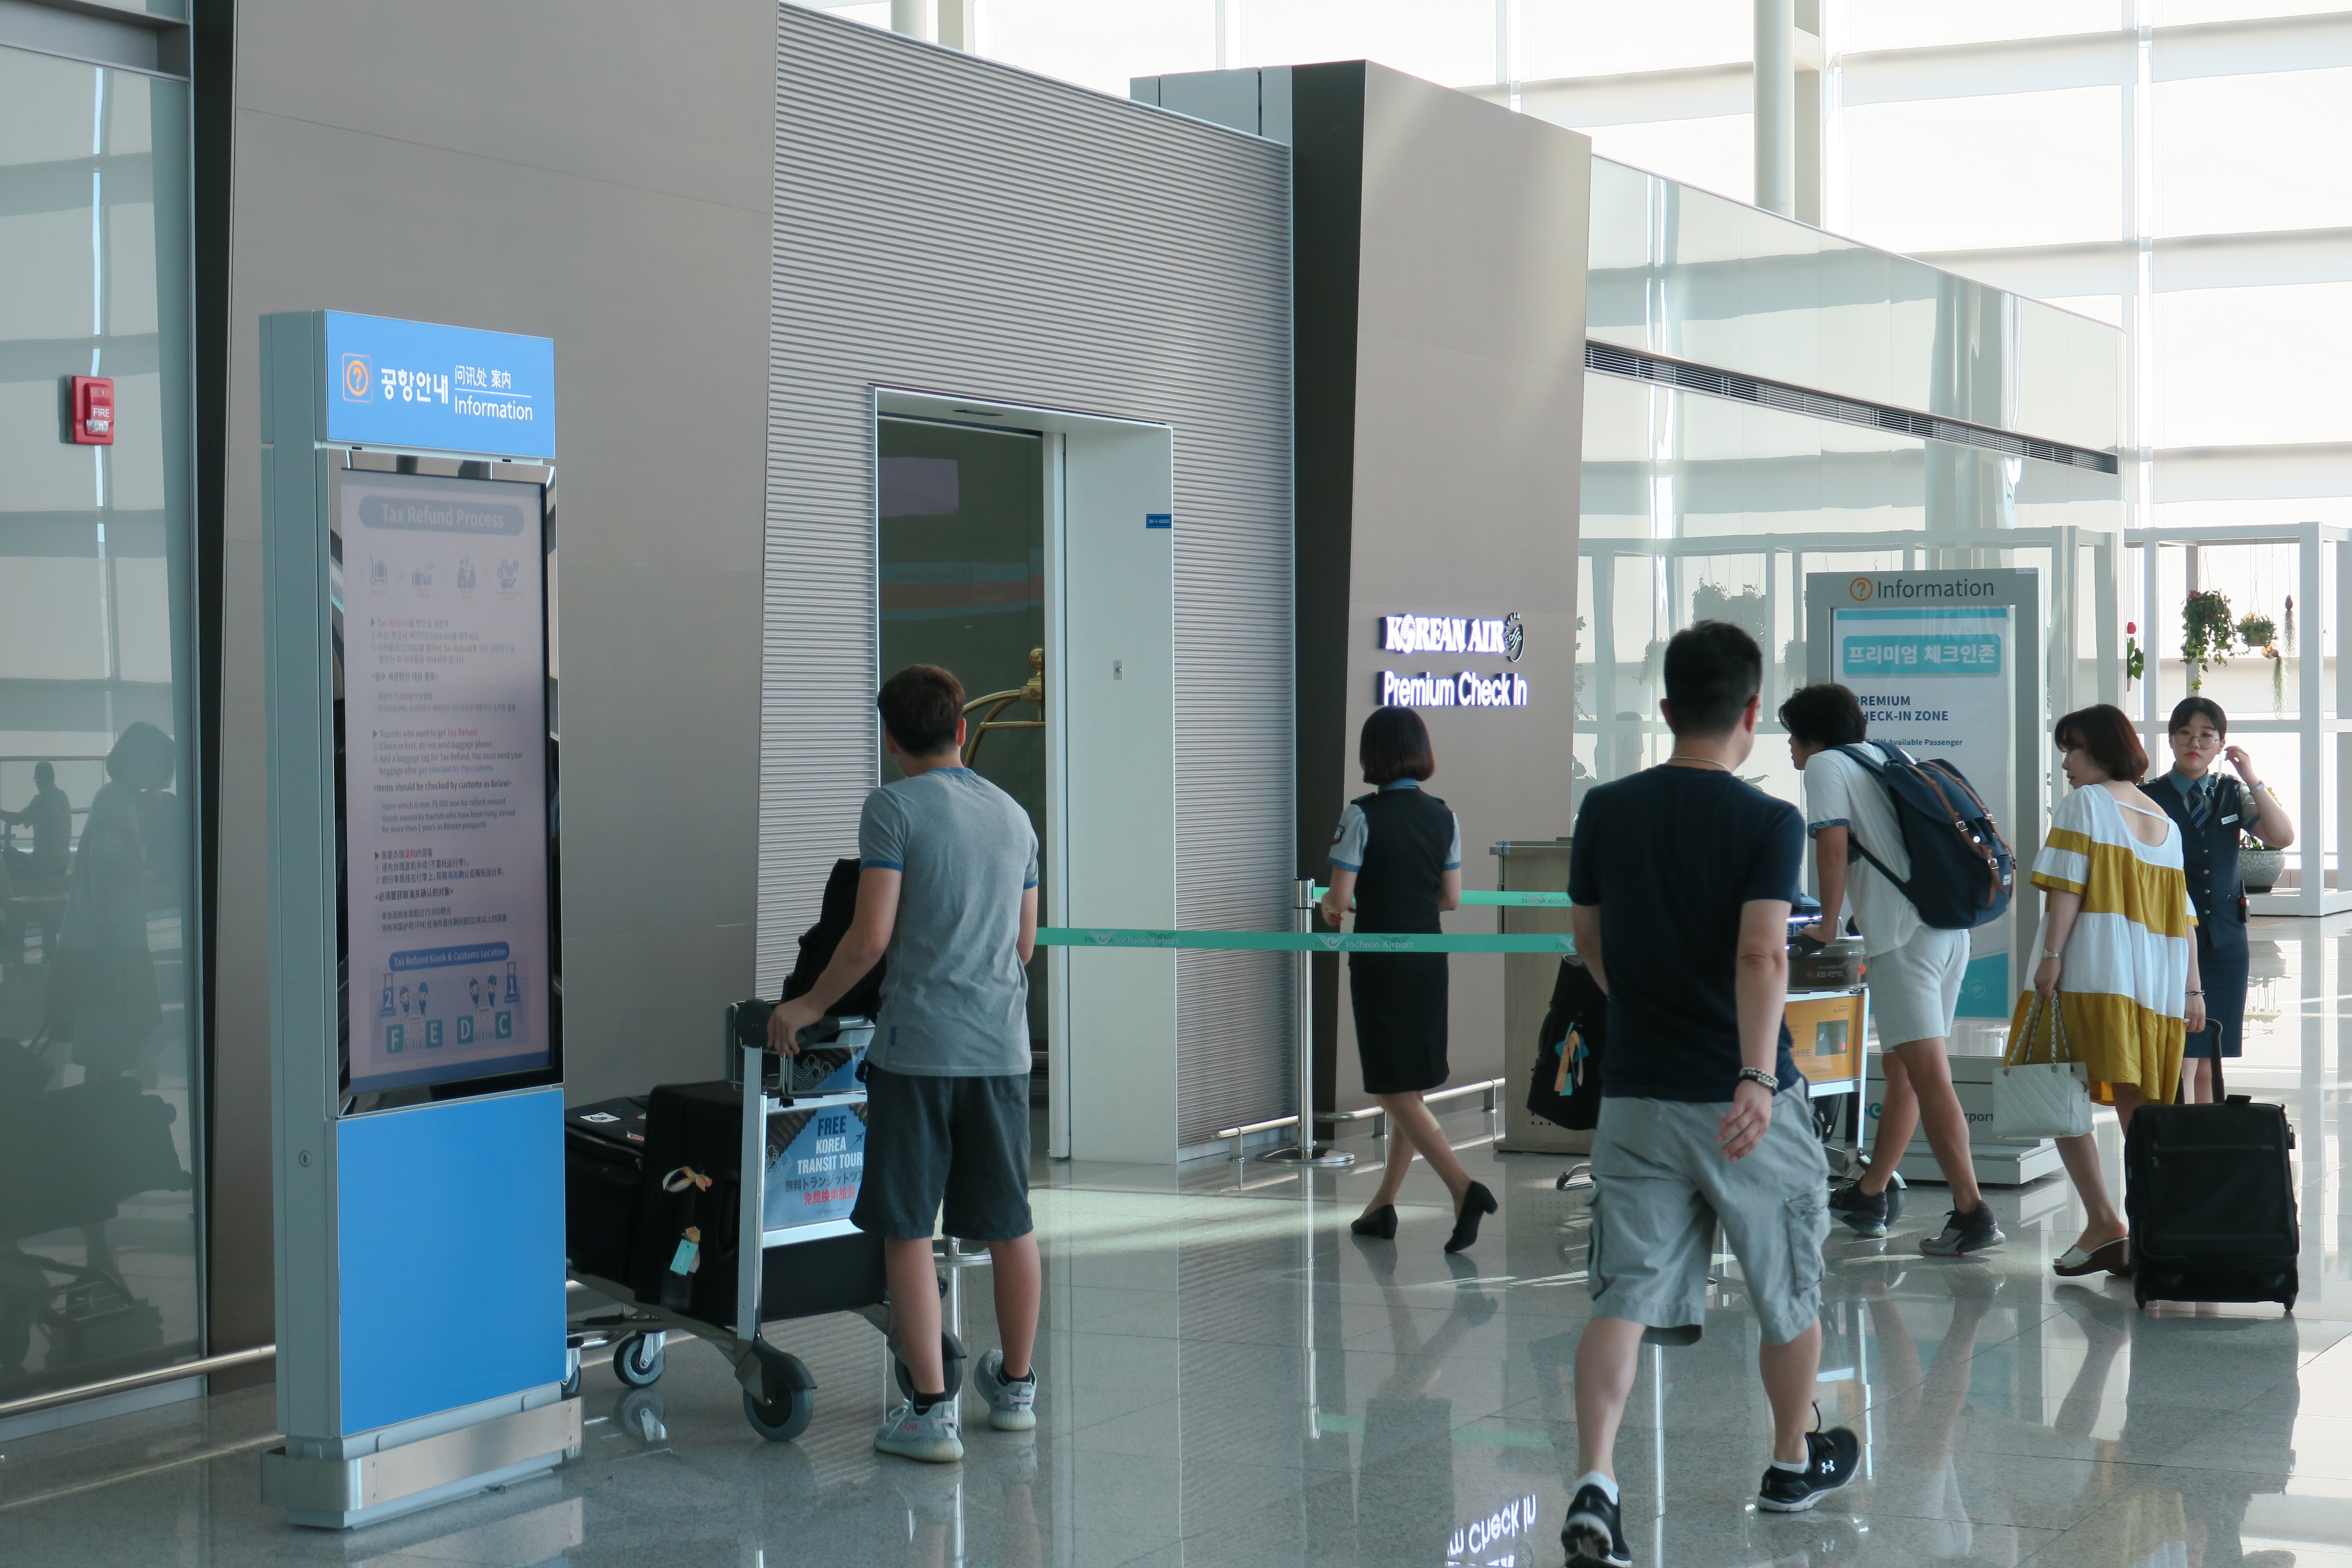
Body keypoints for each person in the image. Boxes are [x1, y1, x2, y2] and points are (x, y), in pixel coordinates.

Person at [1562, 622, 1860, 1568]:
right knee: (1787, 1285)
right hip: (1740, 1101)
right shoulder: (1767, 821)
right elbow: (1764, 951)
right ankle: (1785, 1462)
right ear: (1751, 711)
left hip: (1636, 1093)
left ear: (1664, 710)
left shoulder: (1605, 809)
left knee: (1624, 1290)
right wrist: (1755, 1073)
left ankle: (1598, 1482)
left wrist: (1646, 1014)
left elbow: (1590, 944)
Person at [769, 664, 1042, 1464]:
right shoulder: (1015, 816)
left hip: (919, 1050)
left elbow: (869, 937)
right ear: (961, 728)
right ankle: (1017, 1388)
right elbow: (1025, 946)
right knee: (1009, 1222)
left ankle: (930, 1412)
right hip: (1000, 1049)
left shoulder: (892, 807)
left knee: (906, 1227)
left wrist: (807, 1006)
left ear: (890, 738)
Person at [1779, 683, 2003, 1257]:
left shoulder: (1827, 765)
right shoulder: (1887, 757)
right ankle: (1870, 1193)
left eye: (1791, 739)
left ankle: (1972, 1212)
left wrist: (1827, 924)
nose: (1791, 752)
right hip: (1947, 933)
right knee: (1904, 1068)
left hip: (1903, 942)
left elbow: (1831, 849)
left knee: (1928, 1076)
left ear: (1811, 736)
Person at [2022, 704, 2201, 1278]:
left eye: (2072, 750)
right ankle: (2160, 1225)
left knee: (2052, 1083)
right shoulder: (2163, 822)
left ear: (2100, 748)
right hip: (2149, 985)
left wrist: (2051, 958)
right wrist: (2192, 991)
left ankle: (2104, 1219)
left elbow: (2067, 889)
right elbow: (2183, 917)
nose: (2067, 764)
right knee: (2139, 1107)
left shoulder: (2086, 805)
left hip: (2088, 970)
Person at [1321, 706, 1497, 1252]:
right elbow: (1452, 898)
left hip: (1380, 961)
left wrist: (1331, 907)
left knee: (1389, 1086)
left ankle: (1463, 1187)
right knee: (1409, 1086)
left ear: (1372, 755)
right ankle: (1383, 1205)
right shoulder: (1445, 815)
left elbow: (1340, 898)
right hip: (1428, 959)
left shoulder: (1361, 814)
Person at [2148, 697, 2294, 1103]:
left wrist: (2251, 776)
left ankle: (2208, 1143)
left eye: (2206, 736)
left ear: (2221, 744)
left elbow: (2282, 836)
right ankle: (2181, 1139)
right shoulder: (2151, 796)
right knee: (2182, 1052)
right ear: (2172, 739)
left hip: (2227, 938)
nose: (2195, 743)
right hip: (2171, 936)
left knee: (2211, 1053)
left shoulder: (2233, 794)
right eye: (2185, 734)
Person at [1, 762, 70, 881]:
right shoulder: (63, 797)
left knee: (8, 855)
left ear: (39, 779)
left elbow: (17, 820)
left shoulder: (41, 801)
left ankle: (14, 897)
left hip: (44, 862)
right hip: (63, 860)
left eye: (35, 779)